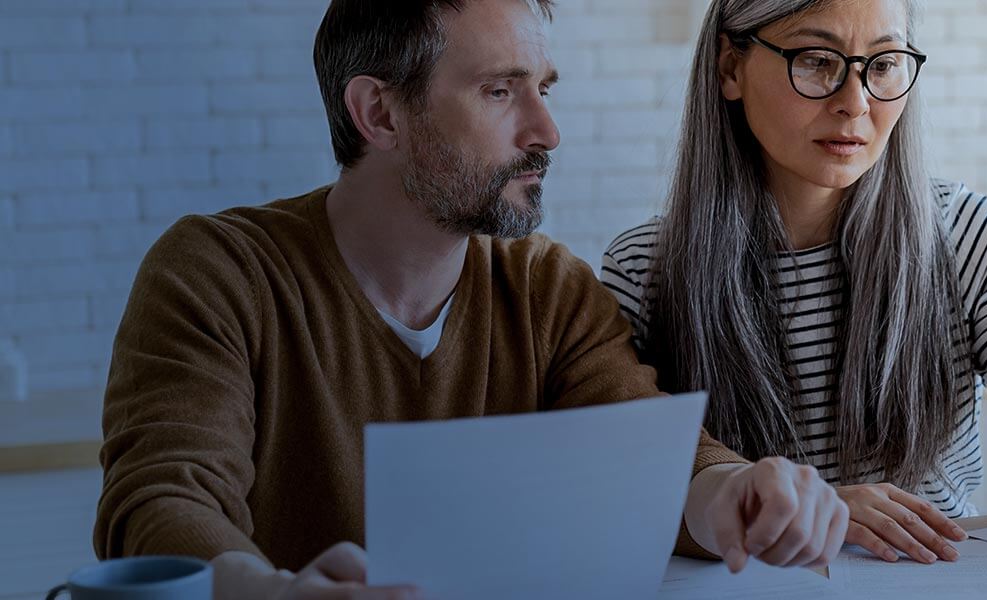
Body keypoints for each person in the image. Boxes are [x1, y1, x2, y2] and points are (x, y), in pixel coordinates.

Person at [93, 1, 847, 597]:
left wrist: (735, 494)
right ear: (379, 114)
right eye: (499, 91)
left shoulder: (548, 288)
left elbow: (649, 456)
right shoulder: (218, 274)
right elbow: (160, 504)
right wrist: (275, 594)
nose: (546, 130)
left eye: (542, 90)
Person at [602, 0, 987, 566]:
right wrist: (813, 516)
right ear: (729, 68)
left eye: (885, 64)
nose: (856, 102)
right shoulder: (643, 269)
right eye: (816, 61)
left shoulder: (974, 237)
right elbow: (626, 496)